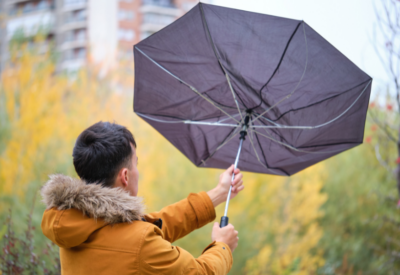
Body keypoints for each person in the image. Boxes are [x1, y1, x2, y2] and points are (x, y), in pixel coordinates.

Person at [41, 121, 244, 274]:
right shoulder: (140, 243)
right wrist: (222, 246)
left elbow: (154, 224)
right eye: (135, 163)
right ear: (125, 176)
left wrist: (219, 192)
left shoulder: (72, 222)